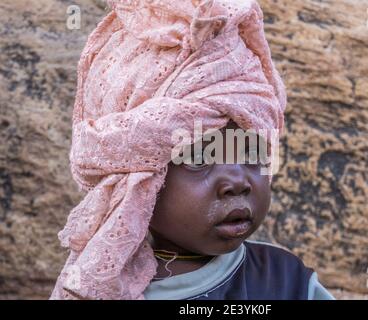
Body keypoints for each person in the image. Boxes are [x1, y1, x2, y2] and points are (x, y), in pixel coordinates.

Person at [50, 0, 334, 300]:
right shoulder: (96, 289)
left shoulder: (288, 283)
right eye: (199, 158)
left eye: (252, 155)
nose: (237, 181)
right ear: (131, 177)